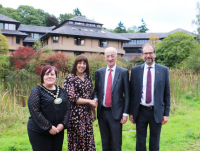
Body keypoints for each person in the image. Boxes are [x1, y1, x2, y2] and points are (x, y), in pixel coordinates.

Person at [129, 43, 170, 151]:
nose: (148, 55)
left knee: (155, 141)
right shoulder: (135, 70)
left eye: (150, 53)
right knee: (140, 141)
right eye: (145, 53)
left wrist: (166, 114)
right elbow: (132, 93)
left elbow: (167, 94)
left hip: (156, 111)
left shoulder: (163, 70)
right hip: (140, 111)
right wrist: (131, 112)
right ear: (142, 55)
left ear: (155, 54)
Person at [27, 65, 71, 151]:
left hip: (58, 130)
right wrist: (49, 127)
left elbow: (68, 109)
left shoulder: (62, 90)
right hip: (39, 131)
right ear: (42, 76)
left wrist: (63, 124)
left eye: (52, 74)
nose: (50, 76)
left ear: (56, 76)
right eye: (47, 74)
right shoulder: (37, 90)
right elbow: (35, 111)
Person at [94, 47, 129, 151]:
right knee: (105, 143)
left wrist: (125, 113)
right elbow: (96, 90)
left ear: (116, 57)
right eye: (108, 56)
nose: (110, 58)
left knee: (116, 144)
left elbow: (127, 94)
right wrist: (95, 98)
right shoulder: (99, 72)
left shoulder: (123, 72)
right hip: (102, 113)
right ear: (104, 57)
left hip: (116, 113)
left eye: (112, 56)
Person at [64, 55, 97, 151]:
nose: (82, 65)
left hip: (87, 114)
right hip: (75, 115)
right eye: (80, 63)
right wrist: (89, 101)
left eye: (84, 63)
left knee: (88, 140)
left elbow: (91, 96)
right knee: (77, 141)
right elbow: (72, 98)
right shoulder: (70, 78)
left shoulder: (88, 78)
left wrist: (93, 113)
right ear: (75, 64)